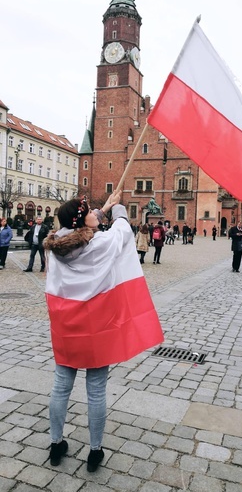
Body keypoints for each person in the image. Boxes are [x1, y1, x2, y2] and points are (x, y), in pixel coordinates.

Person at [43, 191, 163, 471]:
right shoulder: (100, 244)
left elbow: (83, 224)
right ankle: (95, 450)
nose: (92, 213)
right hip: (98, 328)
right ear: (81, 221)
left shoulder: (57, 244)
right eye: (87, 211)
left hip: (67, 328)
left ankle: (56, 443)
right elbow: (122, 231)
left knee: (61, 388)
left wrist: (104, 207)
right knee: (96, 391)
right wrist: (119, 209)